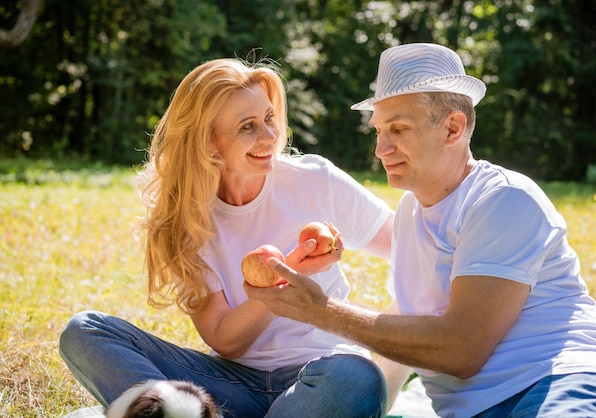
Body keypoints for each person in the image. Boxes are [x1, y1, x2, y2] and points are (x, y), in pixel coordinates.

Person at [244, 43, 596, 417]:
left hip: (557, 382)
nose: (381, 149)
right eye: (378, 131)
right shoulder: (411, 212)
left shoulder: (502, 200)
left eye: (398, 129)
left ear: (453, 128)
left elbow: (461, 350)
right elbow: (405, 333)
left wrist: (321, 311)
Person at [59, 57, 397, 418]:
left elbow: (408, 246)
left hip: (321, 379)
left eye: (269, 118)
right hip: (229, 387)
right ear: (207, 142)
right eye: (247, 127)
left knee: (357, 377)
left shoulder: (315, 180)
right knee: (85, 332)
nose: (269, 136)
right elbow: (226, 340)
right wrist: (287, 280)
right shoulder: (185, 220)